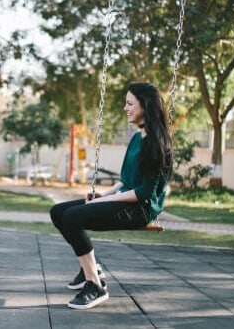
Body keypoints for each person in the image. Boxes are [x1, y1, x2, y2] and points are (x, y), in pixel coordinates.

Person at [49, 82, 173, 310]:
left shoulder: (157, 143)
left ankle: (95, 285)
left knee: (73, 217)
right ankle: (91, 268)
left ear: (145, 105)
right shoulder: (137, 138)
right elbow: (125, 180)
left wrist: (105, 200)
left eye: (130, 103)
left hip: (141, 208)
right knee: (58, 212)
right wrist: (103, 194)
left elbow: (143, 192)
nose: (125, 108)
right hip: (126, 198)